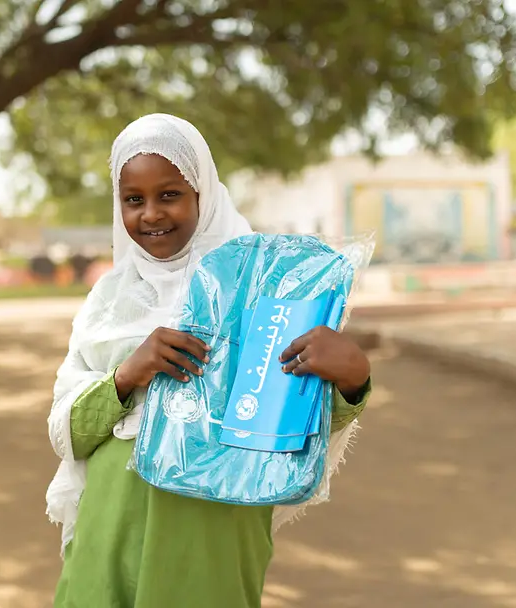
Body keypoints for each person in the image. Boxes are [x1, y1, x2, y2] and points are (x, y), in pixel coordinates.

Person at [46, 113, 372, 608]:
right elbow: (65, 432)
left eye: (170, 194)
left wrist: (352, 377)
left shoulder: (263, 286)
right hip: (111, 523)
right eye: (134, 199)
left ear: (204, 192)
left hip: (213, 528)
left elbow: (295, 414)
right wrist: (128, 374)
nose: (150, 213)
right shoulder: (110, 301)